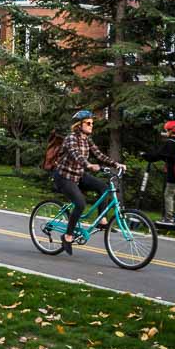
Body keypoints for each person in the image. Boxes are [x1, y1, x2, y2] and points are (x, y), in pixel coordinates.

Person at [53, 110, 127, 256]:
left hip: (79, 175)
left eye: (92, 123)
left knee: (104, 188)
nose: (91, 125)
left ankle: (102, 220)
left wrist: (115, 163)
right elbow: (76, 155)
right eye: (88, 123)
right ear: (78, 125)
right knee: (80, 204)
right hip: (64, 177)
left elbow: (98, 154)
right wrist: (88, 165)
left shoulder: (87, 139)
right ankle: (67, 236)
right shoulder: (71, 138)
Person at [142, 120, 175, 225]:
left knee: (169, 194)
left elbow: (158, 155)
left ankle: (168, 218)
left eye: (167, 130)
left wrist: (145, 156)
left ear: (170, 131)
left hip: (174, 174)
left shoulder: (170, 143)